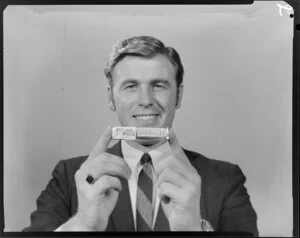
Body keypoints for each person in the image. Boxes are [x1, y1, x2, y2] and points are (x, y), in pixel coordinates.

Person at [23, 36, 258, 235]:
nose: (146, 100)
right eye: (131, 86)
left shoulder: (226, 180)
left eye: (158, 85)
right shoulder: (68, 177)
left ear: (179, 96)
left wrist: (194, 229)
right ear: (110, 98)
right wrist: (82, 224)